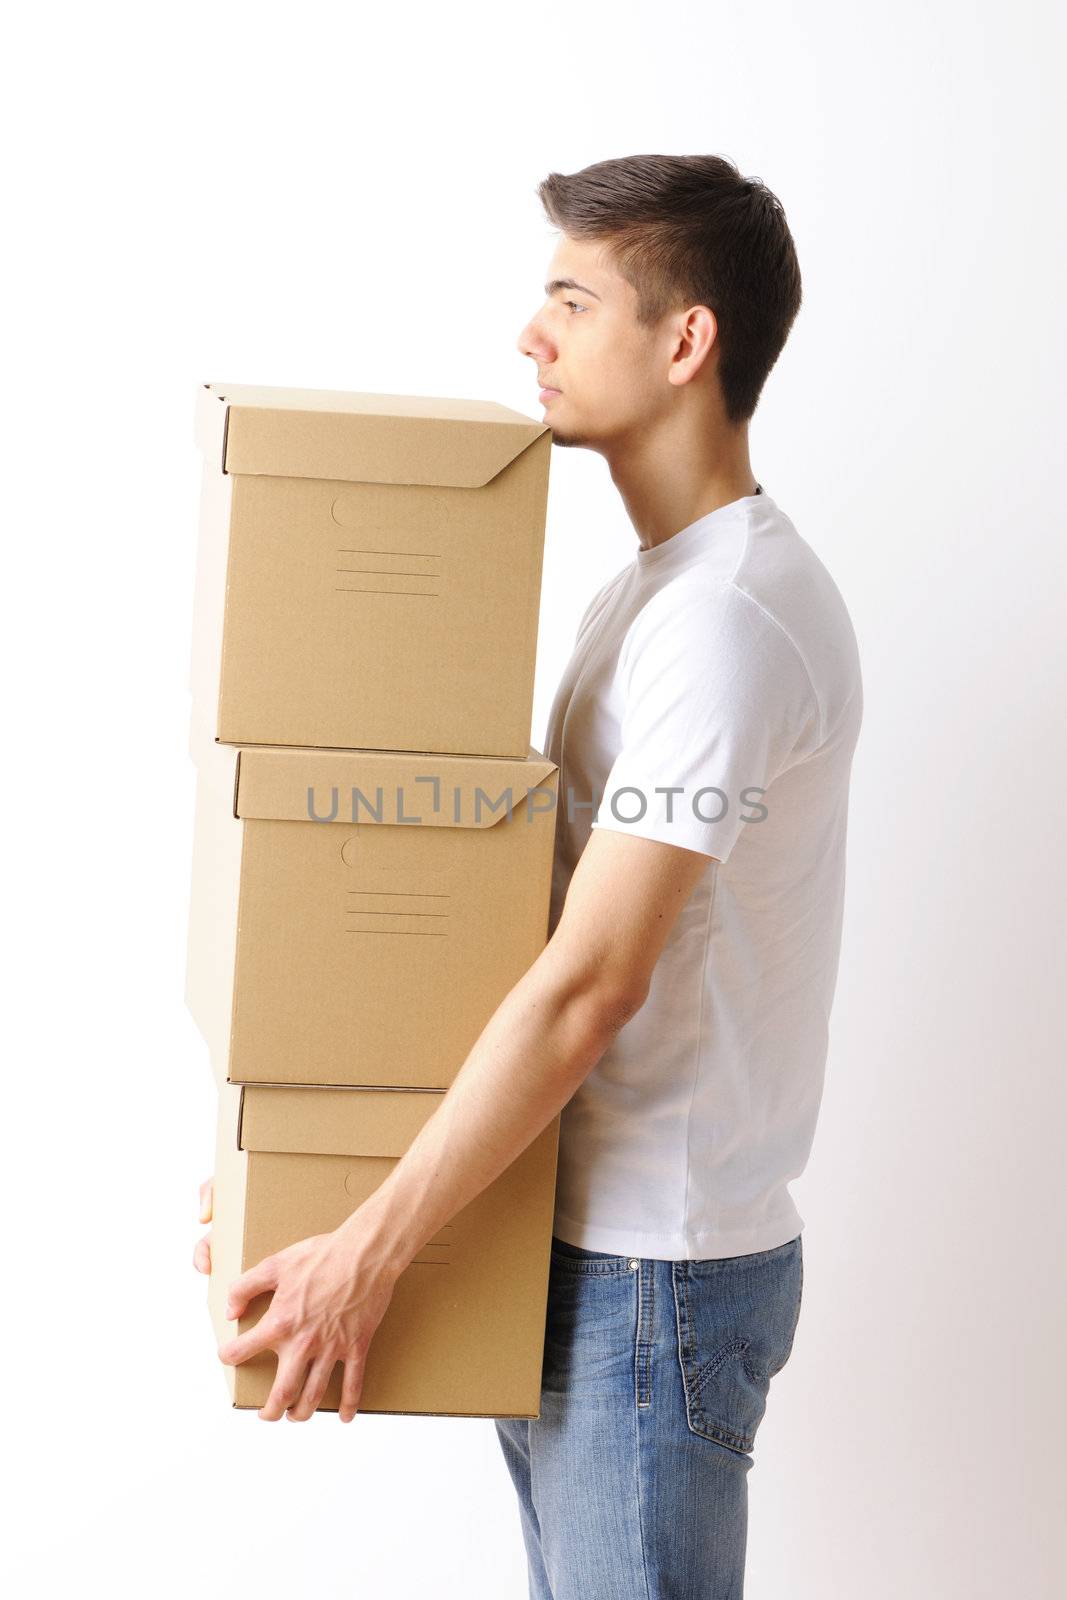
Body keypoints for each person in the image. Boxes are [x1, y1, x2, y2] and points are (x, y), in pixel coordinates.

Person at [194, 152, 863, 1598]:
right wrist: (315, 1170)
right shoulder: (655, 594)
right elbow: (525, 932)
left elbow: (588, 987)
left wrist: (371, 1248)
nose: (529, 335)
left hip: (653, 1280)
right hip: (580, 1243)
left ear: (687, 342)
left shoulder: (730, 622)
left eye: (572, 298)